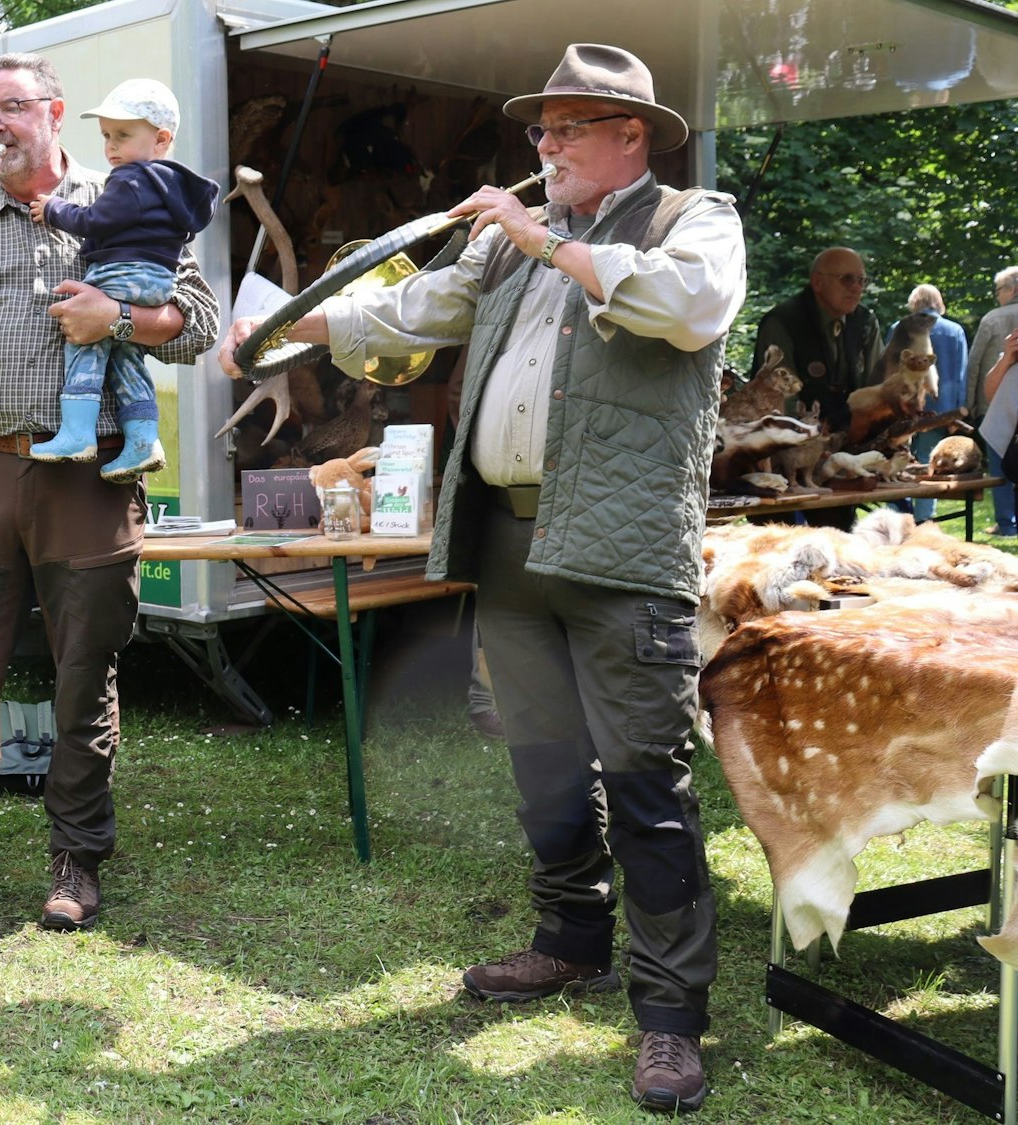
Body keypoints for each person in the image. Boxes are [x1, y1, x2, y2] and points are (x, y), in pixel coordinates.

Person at [221, 43, 743, 1113]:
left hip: (619, 546)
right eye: (537, 132)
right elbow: (409, 317)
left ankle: (668, 1017)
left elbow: (687, 310)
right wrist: (287, 328)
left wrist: (544, 238)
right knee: (544, 764)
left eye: (562, 130)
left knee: (644, 783)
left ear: (627, 135)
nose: (539, 148)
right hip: (506, 542)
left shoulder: (690, 221)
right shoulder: (508, 249)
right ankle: (567, 941)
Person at [0, 53, 218, 932]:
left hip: (91, 473)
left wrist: (119, 320)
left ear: (55, 114)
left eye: (12, 108)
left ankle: (76, 859)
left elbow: (198, 326)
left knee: (81, 678)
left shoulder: (127, 192)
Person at [23, 77, 218, 481]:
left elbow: (95, 219)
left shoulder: (131, 179)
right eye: (107, 135)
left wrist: (55, 209)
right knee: (126, 355)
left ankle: (77, 433)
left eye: (123, 135)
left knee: (85, 339)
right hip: (155, 282)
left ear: (161, 139)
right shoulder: (170, 189)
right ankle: (143, 442)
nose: (111, 147)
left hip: (121, 275)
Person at [752, 246, 882, 433]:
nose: (856, 288)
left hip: (856, 437)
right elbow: (778, 400)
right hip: (796, 439)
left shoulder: (866, 322)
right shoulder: (783, 322)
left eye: (861, 281)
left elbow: (878, 385)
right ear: (818, 282)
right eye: (847, 279)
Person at [888, 284, 968, 521]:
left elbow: (887, 369)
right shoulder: (954, 331)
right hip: (941, 408)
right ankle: (923, 521)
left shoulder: (898, 328)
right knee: (928, 462)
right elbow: (961, 373)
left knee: (897, 460)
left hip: (903, 407)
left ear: (914, 303)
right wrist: (957, 413)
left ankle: (896, 518)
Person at [964, 265, 1018, 536]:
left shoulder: (992, 318)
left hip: (998, 415)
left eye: (999, 290)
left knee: (1001, 470)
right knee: (1006, 469)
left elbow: (973, 365)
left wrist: (969, 405)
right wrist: (1007, 356)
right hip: (1004, 412)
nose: (998, 296)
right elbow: (989, 383)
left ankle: (1007, 524)